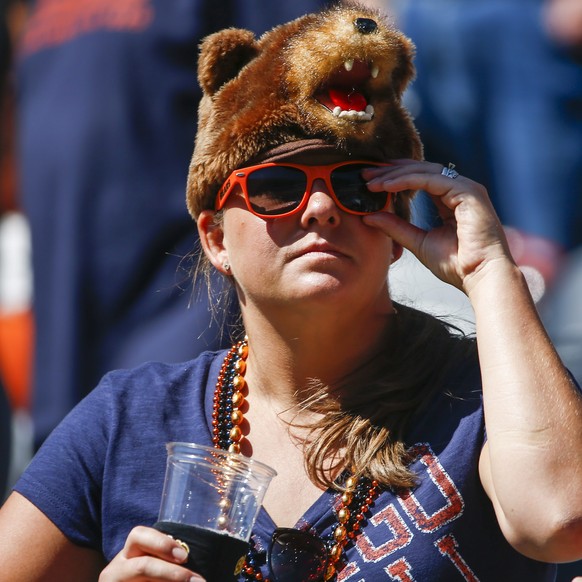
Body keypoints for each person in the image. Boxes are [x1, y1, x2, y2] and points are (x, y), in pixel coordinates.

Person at [1, 4, 582, 581]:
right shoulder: (130, 419)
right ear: (215, 238)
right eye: (277, 187)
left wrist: (489, 271)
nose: (324, 209)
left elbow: (559, 520)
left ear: (398, 224)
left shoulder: (493, 399)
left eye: (358, 185)